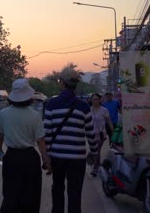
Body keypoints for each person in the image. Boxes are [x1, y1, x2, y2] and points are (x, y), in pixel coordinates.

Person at [44, 67, 98, 213]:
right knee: (75, 195)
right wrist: (93, 153)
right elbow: (91, 134)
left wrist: (47, 157)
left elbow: (47, 134)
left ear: (62, 83)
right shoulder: (84, 106)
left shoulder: (51, 104)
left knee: (57, 190)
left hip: (57, 157)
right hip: (77, 158)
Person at [0, 78, 51, 213]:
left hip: (11, 157)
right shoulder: (34, 115)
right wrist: (46, 160)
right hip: (30, 158)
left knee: (10, 193)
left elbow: (0, 135)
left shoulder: (3, 113)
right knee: (31, 195)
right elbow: (40, 140)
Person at [89, 93, 113, 177]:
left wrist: (112, 130)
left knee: (97, 150)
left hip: (101, 133)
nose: (94, 101)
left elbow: (109, 121)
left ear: (99, 100)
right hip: (91, 133)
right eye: (93, 99)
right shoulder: (89, 110)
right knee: (94, 151)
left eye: (96, 99)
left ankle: (95, 168)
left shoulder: (104, 110)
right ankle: (99, 166)